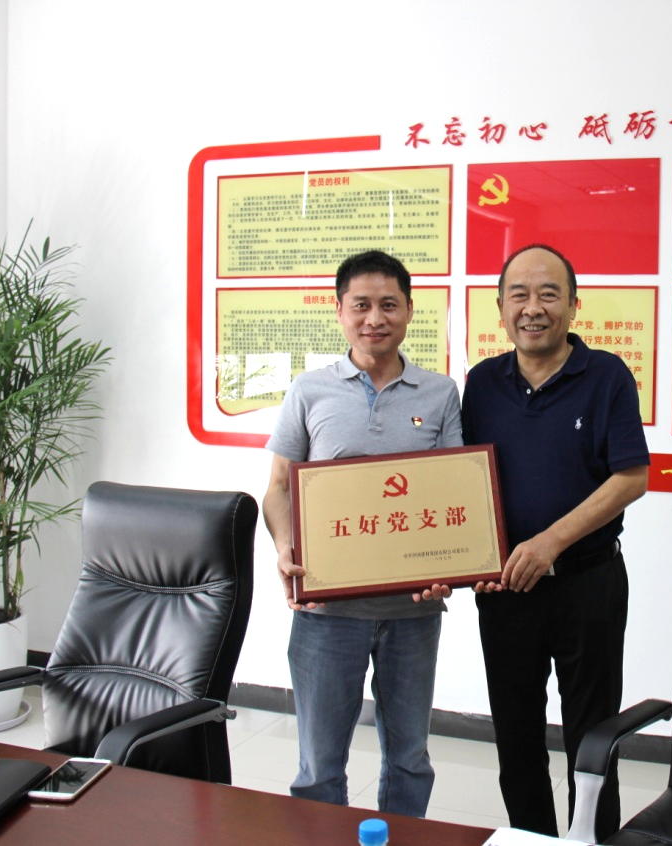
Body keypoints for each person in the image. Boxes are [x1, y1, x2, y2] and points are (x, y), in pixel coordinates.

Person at [262, 249, 460, 817]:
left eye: (389, 305)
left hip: (413, 612)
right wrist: (285, 549)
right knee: (320, 761)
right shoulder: (309, 391)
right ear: (340, 310)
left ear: (410, 311)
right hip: (327, 611)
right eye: (362, 305)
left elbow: (455, 491)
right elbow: (277, 488)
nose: (375, 318)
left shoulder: (440, 393)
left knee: (410, 757)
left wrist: (449, 567)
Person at [461, 244, 650, 839]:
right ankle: (532, 840)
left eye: (549, 294)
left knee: (593, 739)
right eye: (519, 295)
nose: (533, 308)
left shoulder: (607, 376)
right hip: (505, 591)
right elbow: (462, 481)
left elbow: (631, 477)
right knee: (516, 738)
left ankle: (592, 840)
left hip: (588, 583)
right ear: (500, 308)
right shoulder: (481, 384)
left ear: (573, 304)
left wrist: (550, 542)